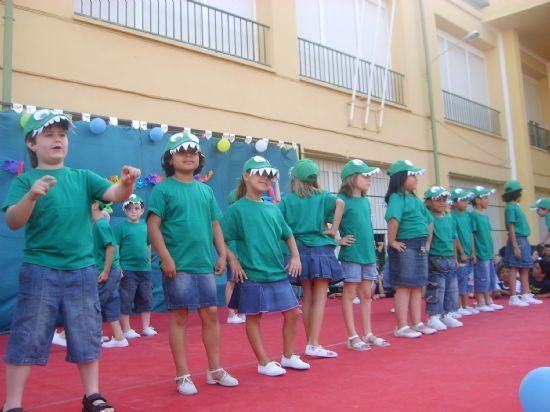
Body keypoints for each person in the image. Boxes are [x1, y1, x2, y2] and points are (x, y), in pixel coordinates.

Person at [2, 109, 140, 412]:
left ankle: (92, 396)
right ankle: (12, 404)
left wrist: (127, 184)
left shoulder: (82, 177)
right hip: (39, 270)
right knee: (27, 334)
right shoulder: (26, 181)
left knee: (87, 333)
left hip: (81, 271)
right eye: (49, 135)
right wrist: (31, 197)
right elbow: (13, 220)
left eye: (62, 135)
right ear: (31, 143)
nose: (57, 140)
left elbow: (114, 193)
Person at [147, 132, 238, 395]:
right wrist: (165, 257)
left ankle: (215, 370)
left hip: (203, 265)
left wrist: (221, 254)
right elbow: (153, 225)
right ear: (169, 158)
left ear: (200, 159)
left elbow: (215, 224)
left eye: (193, 152)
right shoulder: (163, 189)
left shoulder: (206, 191)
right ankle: (183, 375)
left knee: (210, 314)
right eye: (181, 152)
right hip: (178, 266)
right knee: (180, 316)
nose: (188, 156)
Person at [221, 156, 310, 377]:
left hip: (277, 272)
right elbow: (220, 238)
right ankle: (263, 362)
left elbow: (288, 235)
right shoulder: (236, 210)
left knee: (292, 313)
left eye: (269, 175)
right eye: (259, 173)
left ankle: (288, 356)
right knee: (254, 317)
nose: (265, 178)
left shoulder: (273, 209)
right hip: (252, 274)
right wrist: (233, 260)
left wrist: (296, 257)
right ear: (246, 176)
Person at [278, 159, 344, 358]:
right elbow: (341, 202)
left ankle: (311, 342)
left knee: (307, 296)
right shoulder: (322, 196)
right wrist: (333, 229)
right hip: (320, 248)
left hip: (299, 249)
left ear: (295, 178)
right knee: (320, 297)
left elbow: (278, 223)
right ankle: (313, 343)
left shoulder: (287, 200)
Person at [337, 159, 390, 350]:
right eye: (364, 175)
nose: (369, 179)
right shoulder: (341, 200)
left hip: (368, 254)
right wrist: (338, 240)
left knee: (367, 294)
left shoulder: (365, 201)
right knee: (350, 294)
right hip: (352, 254)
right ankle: (352, 336)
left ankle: (368, 333)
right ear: (352, 178)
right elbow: (325, 223)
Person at [384, 160, 436, 338]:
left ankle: (417, 322)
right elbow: (393, 220)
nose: (415, 178)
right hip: (405, 245)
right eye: (411, 175)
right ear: (400, 178)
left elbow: (429, 221)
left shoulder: (415, 199)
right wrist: (392, 241)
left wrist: (427, 242)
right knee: (404, 287)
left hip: (419, 245)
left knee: (417, 286)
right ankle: (402, 326)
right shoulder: (397, 198)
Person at [114, 194, 157, 339]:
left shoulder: (146, 227)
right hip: (127, 270)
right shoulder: (120, 227)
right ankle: (126, 329)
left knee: (146, 298)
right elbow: (116, 247)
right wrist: (118, 266)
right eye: (130, 208)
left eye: (136, 208)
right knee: (125, 299)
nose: (133, 211)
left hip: (144, 270)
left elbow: (149, 245)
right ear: (125, 211)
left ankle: (145, 327)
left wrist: (149, 262)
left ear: (142, 210)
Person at [424, 186, 463, 330]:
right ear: (428, 202)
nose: (441, 203)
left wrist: (454, 257)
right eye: (437, 200)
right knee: (436, 288)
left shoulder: (450, 220)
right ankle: (434, 316)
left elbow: (453, 239)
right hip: (436, 257)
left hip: (449, 258)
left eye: (444, 200)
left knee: (451, 288)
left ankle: (448, 314)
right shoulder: (429, 218)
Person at [91, 200, 128, 348]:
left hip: (107, 270)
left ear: (94, 205)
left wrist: (107, 271)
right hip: (111, 269)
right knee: (111, 301)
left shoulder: (100, 224)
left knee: (93, 303)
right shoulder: (97, 224)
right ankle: (119, 337)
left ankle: (67, 335)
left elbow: (111, 247)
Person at [502, 180, 542, 306]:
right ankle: (514, 296)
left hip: (523, 239)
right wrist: (515, 246)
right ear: (516, 194)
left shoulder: (515, 207)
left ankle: (525, 293)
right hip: (517, 239)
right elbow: (511, 227)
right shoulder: (510, 207)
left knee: (525, 267)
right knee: (514, 267)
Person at [469, 186, 503, 312]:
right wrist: (473, 252)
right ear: (477, 200)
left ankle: (489, 300)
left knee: (490, 277)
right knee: (481, 277)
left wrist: (493, 252)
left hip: (488, 252)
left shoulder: (485, 217)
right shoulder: (473, 216)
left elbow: (488, 235)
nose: (488, 200)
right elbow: (472, 234)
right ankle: (480, 301)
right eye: (485, 198)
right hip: (480, 253)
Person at [450, 188, 479, 316]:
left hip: (469, 253)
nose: (465, 202)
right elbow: (455, 236)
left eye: (466, 200)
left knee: (467, 280)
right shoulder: (452, 216)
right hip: (461, 254)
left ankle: (466, 304)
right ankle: (459, 305)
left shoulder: (467, 215)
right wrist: (461, 252)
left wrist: (473, 252)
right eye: (462, 200)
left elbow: (471, 234)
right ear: (454, 203)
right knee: (460, 280)